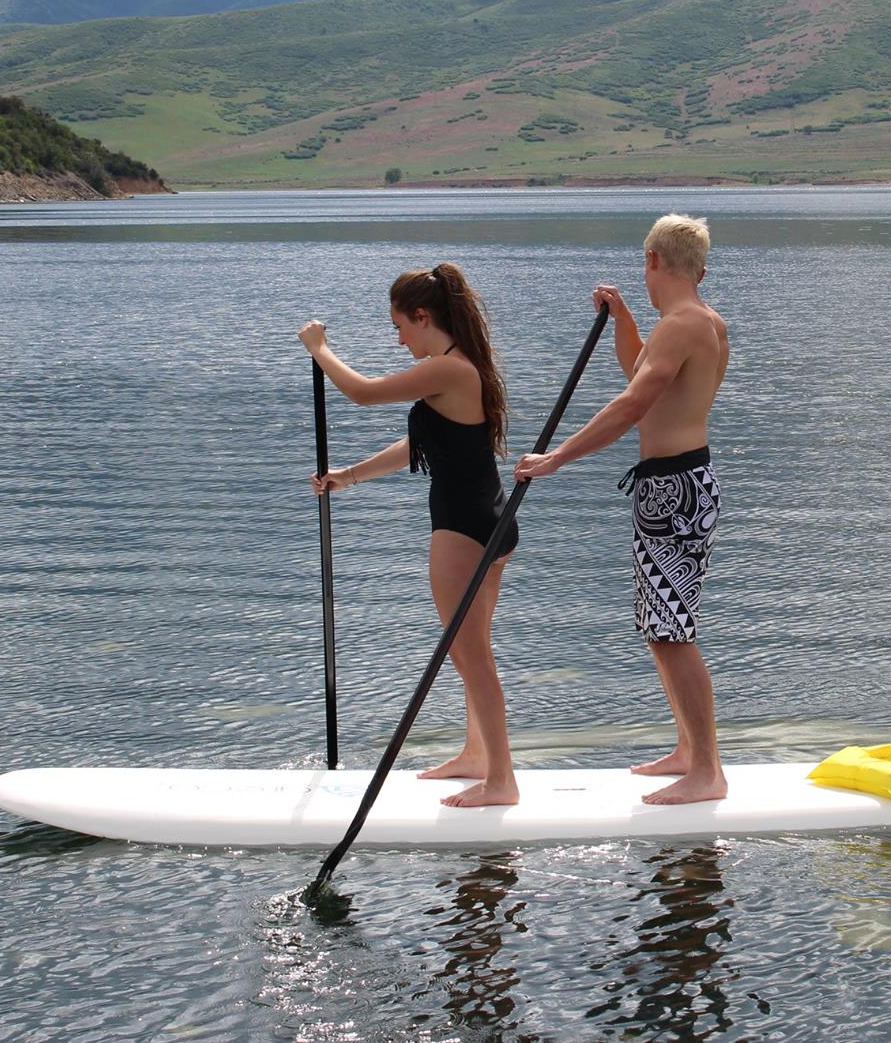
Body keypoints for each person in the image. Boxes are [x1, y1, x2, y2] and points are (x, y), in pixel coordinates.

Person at [516, 214, 730, 805]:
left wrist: (559, 457)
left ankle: (708, 771)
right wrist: (626, 322)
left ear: (653, 262)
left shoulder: (682, 325)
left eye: (646, 265)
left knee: (670, 631)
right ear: (701, 269)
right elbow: (647, 375)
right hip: (680, 484)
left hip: (675, 490)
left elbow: (635, 401)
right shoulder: (702, 322)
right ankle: (689, 751)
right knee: (660, 627)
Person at [297, 263, 520, 808]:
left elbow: (363, 393)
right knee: (474, 651)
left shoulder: (450, 369)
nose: (398, 339)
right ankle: (477, 756)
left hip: (462, 531)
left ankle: (502, 782)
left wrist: (319, 349)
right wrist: (349, 475)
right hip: (488, 522)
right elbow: (422, 445)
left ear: (423, 317)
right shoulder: (462, 368)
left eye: (400, 327)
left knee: (471, 658)